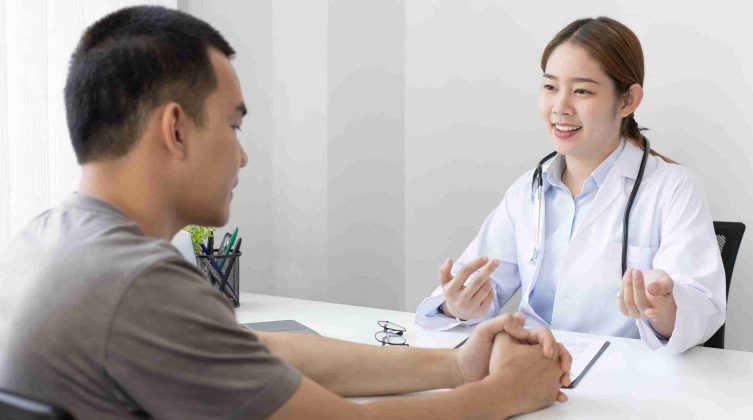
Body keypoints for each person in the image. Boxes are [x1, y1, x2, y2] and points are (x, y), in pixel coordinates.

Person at [0, 6, 572, 419]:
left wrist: (456, 367)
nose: (243, 153)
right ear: (175, 129)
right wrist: (505, 395)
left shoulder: (48, 239)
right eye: (233, 125)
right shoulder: (138, 283)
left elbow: (252, 354)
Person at [416, 17, 726, 355]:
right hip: (530, 367)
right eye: (550, 87)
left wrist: (665, 310)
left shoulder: (672, 188)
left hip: (625, 381)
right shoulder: (529, 190)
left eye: (582, 91)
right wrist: (457, 306)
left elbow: (702, 309)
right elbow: (472, 287)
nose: (560, 107)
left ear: (627, 101)